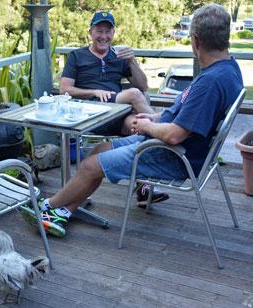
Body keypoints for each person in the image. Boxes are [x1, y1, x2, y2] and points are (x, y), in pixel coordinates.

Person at [21, 3, 243, 238]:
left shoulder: (210, 82)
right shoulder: (228, 69)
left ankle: (45, 208)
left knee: (88, 166)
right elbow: (185, 115)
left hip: (171, 154)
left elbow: (174, 135)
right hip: (166, 144)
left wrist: (147, 125)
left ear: (196, 41)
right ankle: (65, 211)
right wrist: (154, 117)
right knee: (99, 149)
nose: (104, 35)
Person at [61, 10, 169, 206]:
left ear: (113, 33)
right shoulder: (77, 56)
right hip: (90, 111)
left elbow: (144, 84)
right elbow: (65, 89)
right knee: (135, 94)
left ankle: (143, 186)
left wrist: (131, 61)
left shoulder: (118, 56)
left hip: (116, 114)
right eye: (99, 31)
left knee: (141, 126)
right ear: (90, 32)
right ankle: (166, 133)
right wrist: (92, 91)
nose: (103, 36)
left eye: (108, 31)